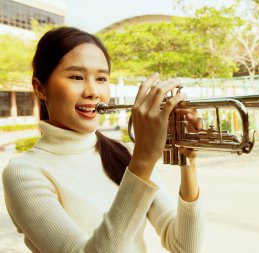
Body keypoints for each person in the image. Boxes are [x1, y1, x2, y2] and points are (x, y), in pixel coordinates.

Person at [2, 26, 204, 253]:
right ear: (40, 88)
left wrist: (188, 159)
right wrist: (143, 160)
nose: (93, 92)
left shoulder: (123, 154)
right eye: (76, 77)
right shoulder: (24, 173)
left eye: (101, 78)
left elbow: (185, 246)